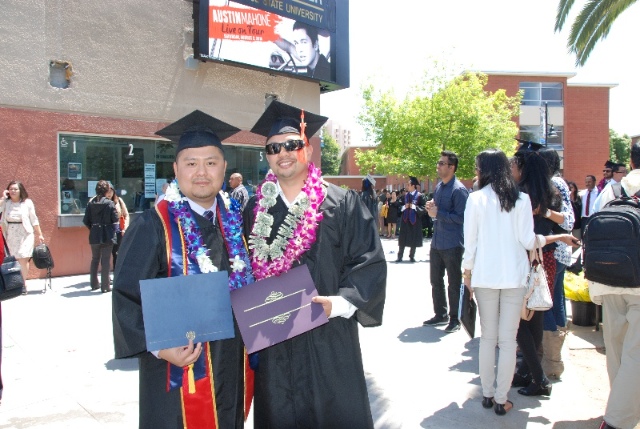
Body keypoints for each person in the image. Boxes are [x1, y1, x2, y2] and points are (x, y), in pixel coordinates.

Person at [244, 100, 386, 428]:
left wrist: (340, 303)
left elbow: (369, 261)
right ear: (267, 156)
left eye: (292, 144)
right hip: (276, 342)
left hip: (329, 337)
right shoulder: (255, 209)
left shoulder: (341, 202)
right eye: (273, 147)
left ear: (307, 149)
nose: (283, 153)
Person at [112, 110, 254, 428]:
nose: (201, 172)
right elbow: (125, 298)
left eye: (211, 162)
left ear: (224, 168)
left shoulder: (235, 224)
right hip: (178, 377)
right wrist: (160, 348)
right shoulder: (152, 226)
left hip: (232, 368)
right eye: (191, 163)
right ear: (176, 169)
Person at [462, 149, 577, 416]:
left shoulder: (475, 199)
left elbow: (470, 243)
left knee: (488, 338)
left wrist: (467, 275)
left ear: (484, 170)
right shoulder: (521, 199)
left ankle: (488, 394)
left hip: (484, 277)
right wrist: (557, 238)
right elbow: (528, 241)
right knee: (507, 340)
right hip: (514, 277)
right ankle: (501, 399)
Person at [589, 142, 640, 429]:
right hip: (638, 282)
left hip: (608, 276)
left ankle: (620, 408)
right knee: (636, 352)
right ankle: (618, 419)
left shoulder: (612, 189)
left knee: (616, 350)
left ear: (631, 162)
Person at [510, 146, 562, 398]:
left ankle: (539, 377)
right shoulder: (552, 193)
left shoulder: (520, 195)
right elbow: (564, 224)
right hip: (546, 259)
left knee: (518, 319)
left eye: (515, 165)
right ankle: (527, 372)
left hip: (524, 258)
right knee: (535, 317)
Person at [539, 148, 575, 380]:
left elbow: (568, 220)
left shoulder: (555, 183)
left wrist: (543, 212)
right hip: (559, 250)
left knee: (547, 303)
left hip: (555, 250)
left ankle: (552, 359)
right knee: (556, 301)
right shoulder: (557, 182)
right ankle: (555, 355)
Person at [424, 151, 469, 333]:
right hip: (437, 242)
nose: (438, 166)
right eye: (439, 162)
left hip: (452, 243)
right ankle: (440, 314)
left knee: (454, 283)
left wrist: (438, 213)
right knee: (435, 281)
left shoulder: (459, 190)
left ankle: (455, 318)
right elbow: (437, 212)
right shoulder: (439, 187)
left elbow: (462, 218)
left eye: (442, 163)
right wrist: (431, 208)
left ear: (452, 167)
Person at [0, 181, 45, 293]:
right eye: (11, 189)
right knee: (13, 259)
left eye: (15, 189)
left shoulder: (27, 203)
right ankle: (14, 282)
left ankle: (22, 284)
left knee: (23, 258)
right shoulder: (6, 202)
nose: (13, 191)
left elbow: (34, 219)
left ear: (21, 191)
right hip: (10, 234)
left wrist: (40, 234)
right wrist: (3, 198)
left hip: (25, 233)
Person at [83, 180, 118, 293]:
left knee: (95, 259)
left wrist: (93, 228)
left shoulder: (91, 203)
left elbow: (86, 221)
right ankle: (105, 286)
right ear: (106, 190)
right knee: (106, 260)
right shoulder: (109, 203)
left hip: (94, 234)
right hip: (107, 233)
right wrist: (114, 230)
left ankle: (94, 284)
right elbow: (115, 220)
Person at [396, 177, 426, 263]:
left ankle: (412, 256)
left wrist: (414, 207)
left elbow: (423, 208)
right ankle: (400, 256)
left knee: (414, 238)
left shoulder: (420, 196)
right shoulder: (405, 196)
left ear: (413, 186)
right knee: (403, 239)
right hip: (405, 220)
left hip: (415, 221)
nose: (407, 186)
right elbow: (399, 207)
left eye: (408, 185)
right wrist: (404, 207)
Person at [107, 184, 129, 270]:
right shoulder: (102, 202)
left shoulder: (119, 200)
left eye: (111, 191)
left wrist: (125, 228)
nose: (109, 193)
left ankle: (116, 272)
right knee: (106, 253)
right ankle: (106, 274)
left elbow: (126, 215)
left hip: (118, 230)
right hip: (107, 230)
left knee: (117, 252)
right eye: (107, 191)